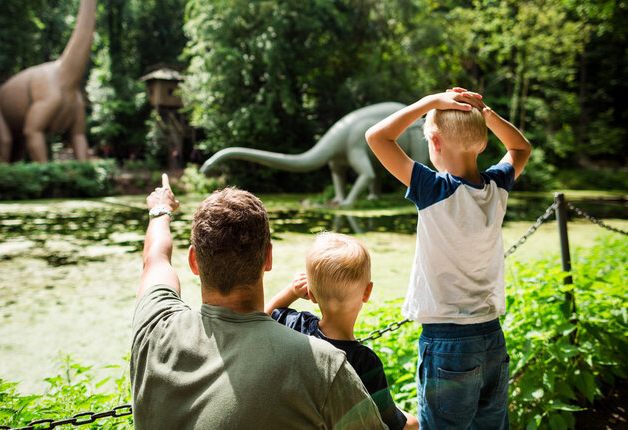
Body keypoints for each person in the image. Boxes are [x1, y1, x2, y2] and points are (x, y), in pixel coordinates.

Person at [130, 174, 387, 430]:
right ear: (268, 258)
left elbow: (155, 259)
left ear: (193, 261)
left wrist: (160, 210)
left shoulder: (154, 324)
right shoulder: (322, 365)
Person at [365, 88, 532, 429]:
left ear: (435, 142)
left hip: (447, 341)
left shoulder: (433, 189)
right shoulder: (497, 186)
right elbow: (520, 148)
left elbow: (377, 137)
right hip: (490, 336)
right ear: (484, 144)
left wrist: (430, 102)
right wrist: (485, 113)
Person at [265, 232, 420, 430]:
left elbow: (263, 317)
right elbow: (390, 422)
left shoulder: (296, 325)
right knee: (413, 424)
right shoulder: (365, 361)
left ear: (310, 294)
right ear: (367, 292)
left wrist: (291, 291)